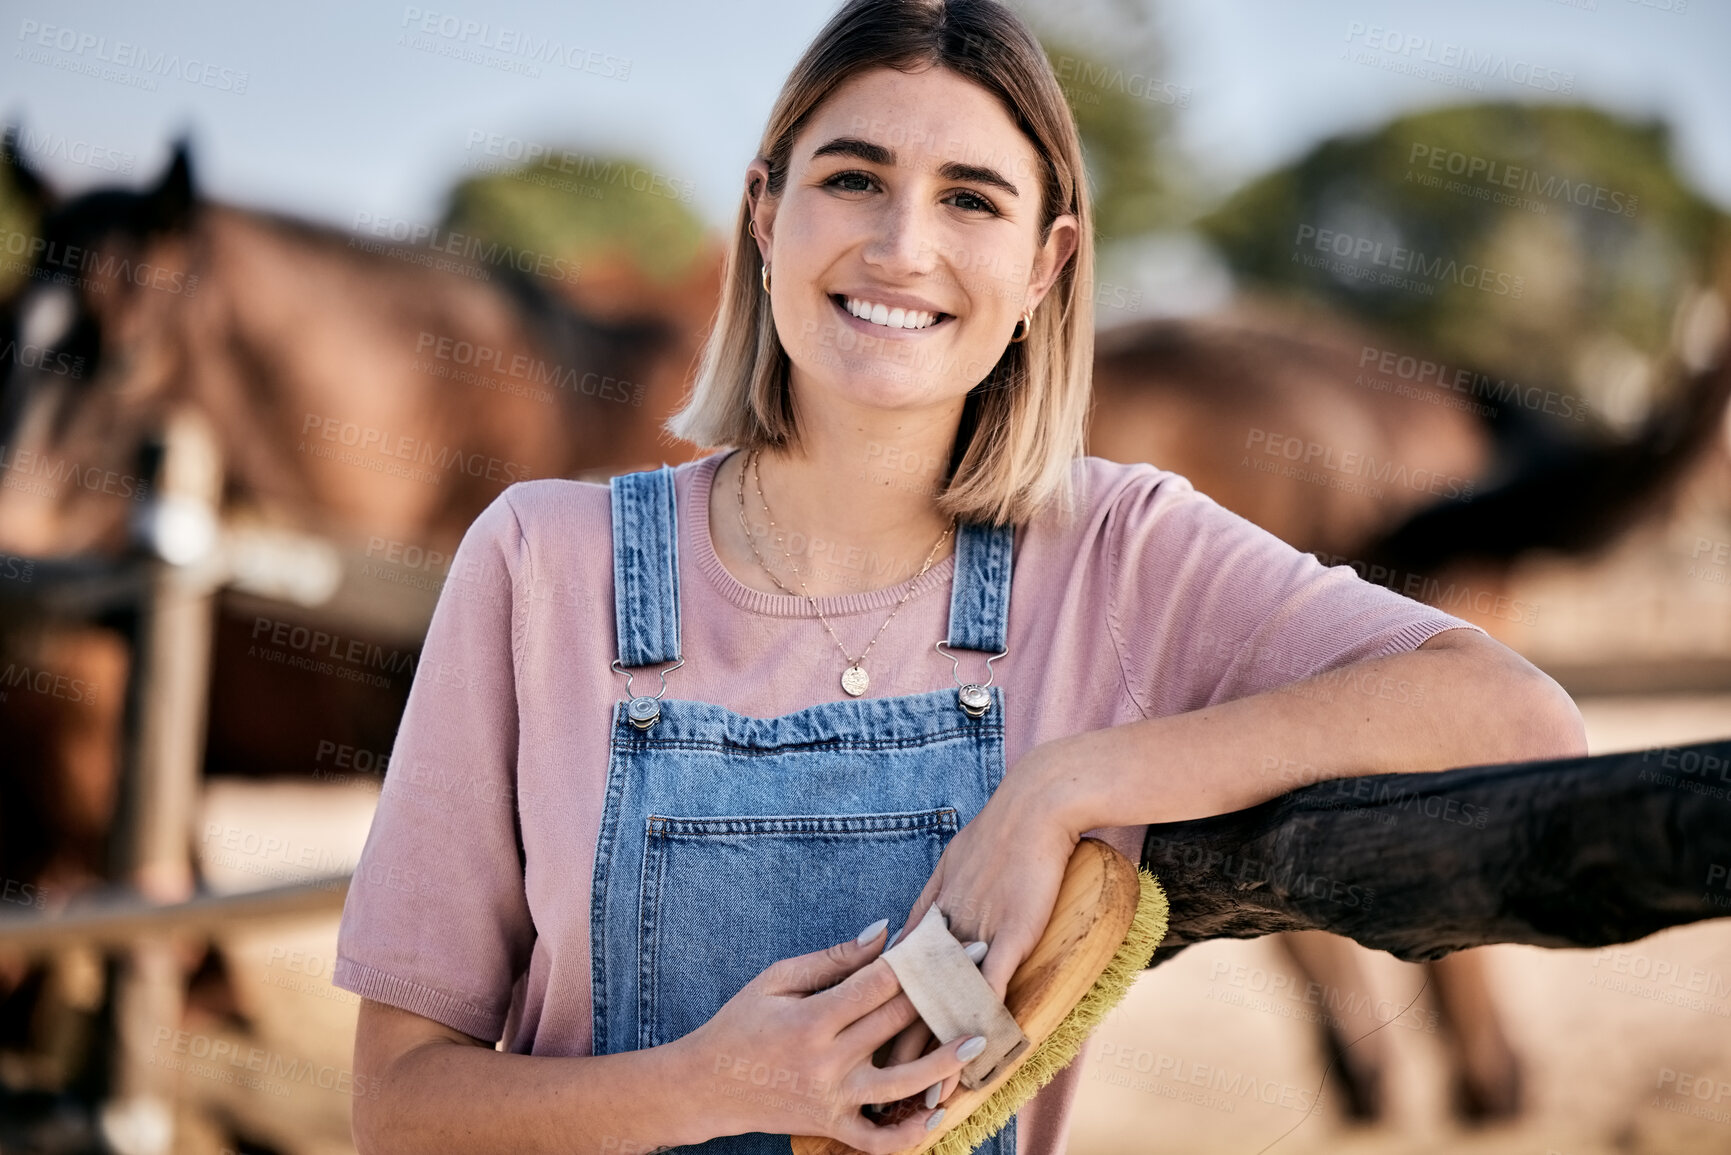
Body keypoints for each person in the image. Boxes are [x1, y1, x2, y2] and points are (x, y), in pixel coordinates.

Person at [333, 1, 1587, 1152]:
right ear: (765, 216)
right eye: (854, 178)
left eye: (971, 200)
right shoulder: (542, 561)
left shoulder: (1117, 551)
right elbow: (398, 1107)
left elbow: (1522, 719)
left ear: (1045, 269)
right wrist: (717, 1084)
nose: (901, 245)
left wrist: (1069, 782)